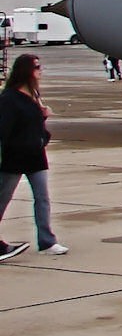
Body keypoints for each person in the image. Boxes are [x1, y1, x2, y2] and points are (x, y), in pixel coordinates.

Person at [0, 53, 66, 257]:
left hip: (36, 157)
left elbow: (36, 129)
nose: (40, 71)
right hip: (14, 158)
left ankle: (46, 242)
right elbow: (4, 129)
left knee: (42, 198)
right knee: (2, 199)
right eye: (36, 67)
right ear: (26, 71)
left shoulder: (34, 96)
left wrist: (42, 118)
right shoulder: (10, 98)